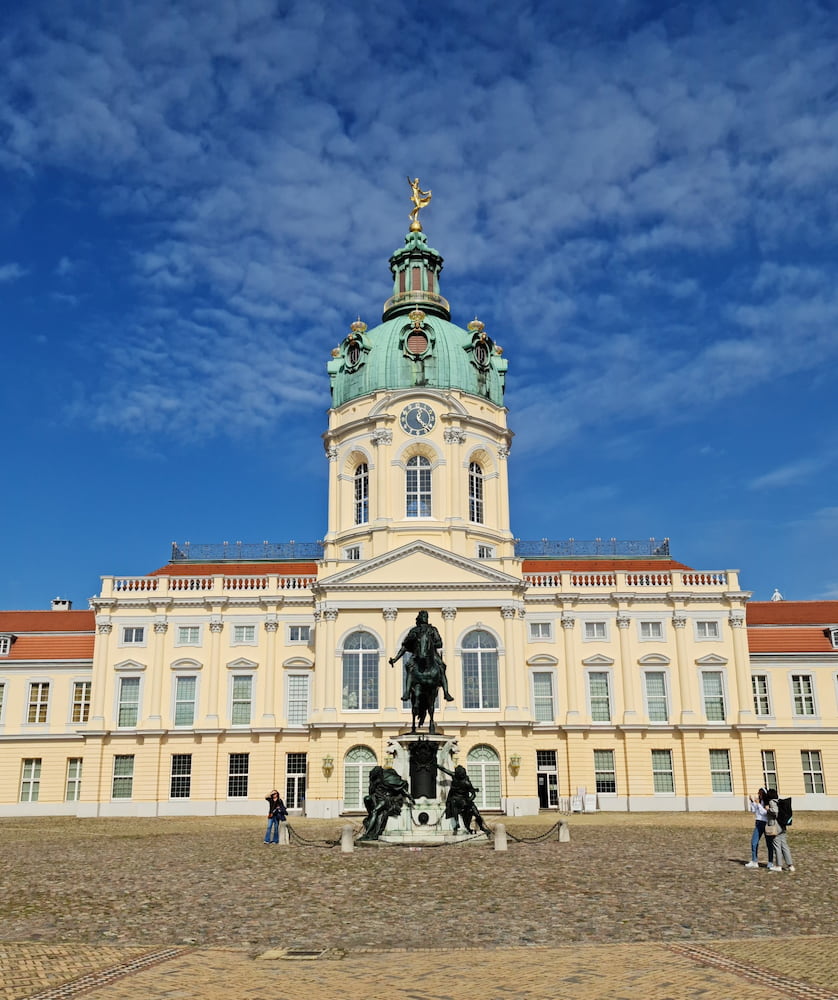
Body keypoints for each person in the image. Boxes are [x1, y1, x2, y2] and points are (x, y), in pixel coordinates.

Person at [389, 610, 454, 702]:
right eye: (423, 616)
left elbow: (440, 643)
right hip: (417, 656)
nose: (425, 618)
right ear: (419, 618)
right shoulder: (414, 631)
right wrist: (395, 659)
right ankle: (407, 692)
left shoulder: (433, 629)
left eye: (426, 616)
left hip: (432, 655)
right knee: (409, 667)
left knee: (442, 667)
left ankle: (446, 692)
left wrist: (431, 644)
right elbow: (405, 646)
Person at [765, 789, 794, 872]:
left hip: (775, 827)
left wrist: (768, 809)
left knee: (777, 846)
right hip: (782, 826)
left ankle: (778, 865)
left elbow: (775, 811)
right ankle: (790, 865)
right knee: (784, 846)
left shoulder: (771, 802)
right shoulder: (779, 802)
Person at [745, 788, 769, 868]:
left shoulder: (766, 802)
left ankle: (770, 862)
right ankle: (754, 860)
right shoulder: (759, 801)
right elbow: (753, 810)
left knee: (769, 844)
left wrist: (758, 804)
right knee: (754, 842)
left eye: (761, 794)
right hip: (758, 822)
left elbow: (765, 813)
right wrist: (752, 802)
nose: (759, 795)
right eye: (759, 793)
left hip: (765, 823)